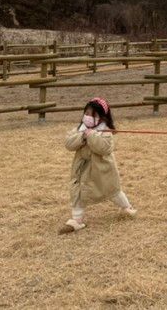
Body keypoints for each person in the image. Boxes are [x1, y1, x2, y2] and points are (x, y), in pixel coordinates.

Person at [59, 97, 137, 234]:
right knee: (78, 191)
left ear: (102, 117)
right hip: (82, 169)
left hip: (102, 170)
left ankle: (127, 208)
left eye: (93, 115)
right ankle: (77, 220)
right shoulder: (80, 129)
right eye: (87, 113)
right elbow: (68, 144)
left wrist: (92, 136)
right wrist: (82, 137)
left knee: (113, 190)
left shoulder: (105, 132)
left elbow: (104, 149)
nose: (88, 117)